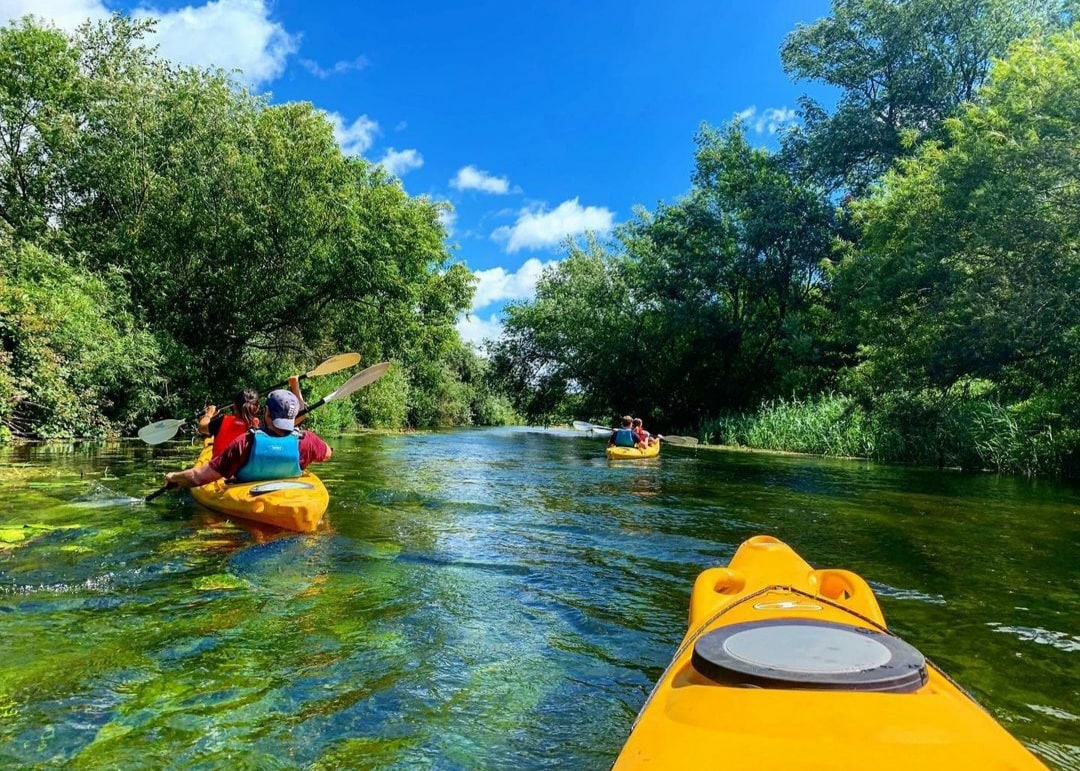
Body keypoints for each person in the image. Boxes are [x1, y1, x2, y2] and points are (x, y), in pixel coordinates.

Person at [164, 380, 332, 490]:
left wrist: (174, 477)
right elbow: (327, 453)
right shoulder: (307, 440)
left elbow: (199, 477)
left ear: (266, 412)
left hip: (243, 486)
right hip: (289, 492)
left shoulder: (245, 442)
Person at [198, 387, 260, 457]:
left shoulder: (223, 421)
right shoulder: (259, 428)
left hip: (219, 464)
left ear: (234, 406)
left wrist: (209, 414)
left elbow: (202, 427)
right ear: (257, 408)